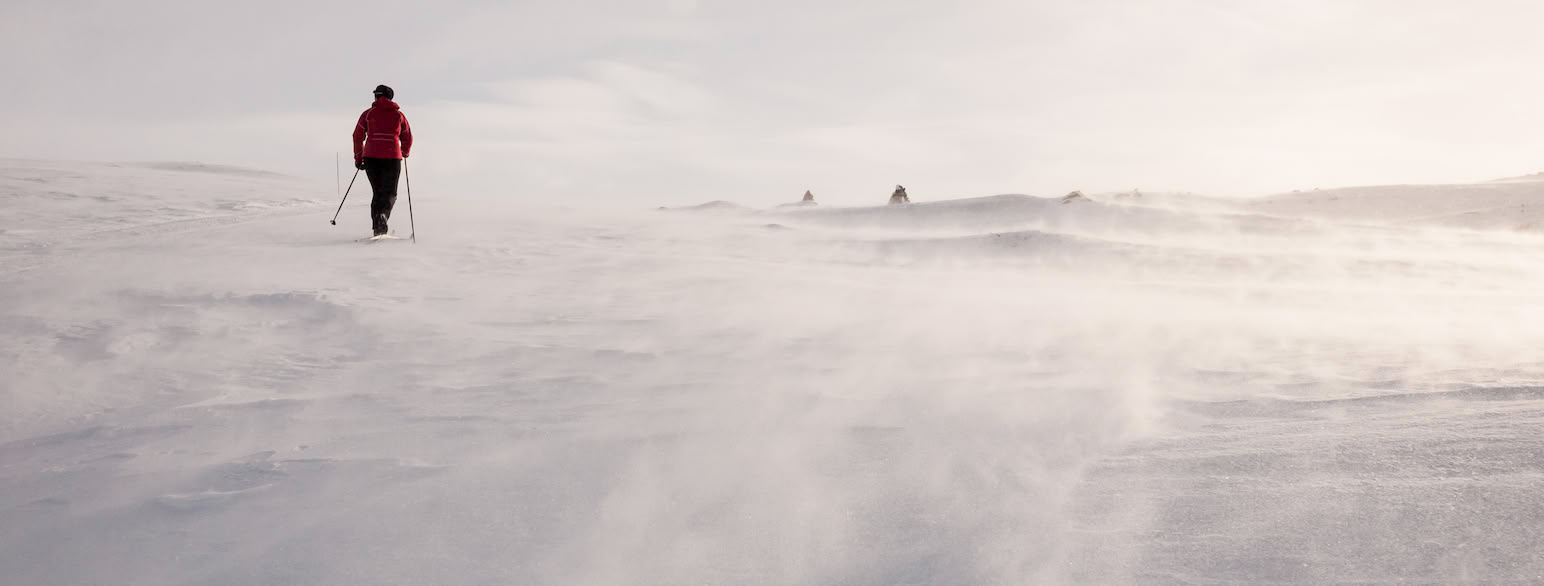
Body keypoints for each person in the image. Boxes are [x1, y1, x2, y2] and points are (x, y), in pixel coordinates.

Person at [352, 85, 413, 236]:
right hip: (392, 158)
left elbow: (357, 136)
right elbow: (407, 136)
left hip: (371, 157)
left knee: (378, 192)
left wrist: (359, 157)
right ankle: (383, 217)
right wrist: (405, 152)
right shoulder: (399, 116)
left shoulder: (368, 114)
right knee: (390, 192)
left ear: (376, 97)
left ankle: (377, 228)